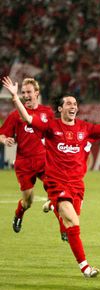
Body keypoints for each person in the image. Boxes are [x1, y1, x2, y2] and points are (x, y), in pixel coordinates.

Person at [2, 76, 100, 278]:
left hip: (77, 185)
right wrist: (15, 97)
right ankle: (85, 267)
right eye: (68, 103)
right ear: (60, 109)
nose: (73, 106)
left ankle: (52, 206)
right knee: (73, 225)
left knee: (72, 224)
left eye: (75, 104)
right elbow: (29, 118)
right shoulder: (51, 127)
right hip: (56, 182)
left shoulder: (86, 128)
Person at [0, 78, 55, 233]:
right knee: (28, 201)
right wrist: (5, 140)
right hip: (24, 163)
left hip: (44, 160)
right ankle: (19, 214)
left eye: (29, 92)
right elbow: (1, 134)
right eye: (23, 92)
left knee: (57, 191)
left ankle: (66, 227)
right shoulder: (15, 115)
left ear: (36, 93)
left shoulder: (47, 113)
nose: (26, 95)